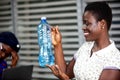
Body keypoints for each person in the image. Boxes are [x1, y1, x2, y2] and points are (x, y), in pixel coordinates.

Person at [47, 1, 120, 80]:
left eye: (87, 23)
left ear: (102, 24)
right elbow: (65, 73)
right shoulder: (86, 47)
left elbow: (65, 78)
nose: (83, 27)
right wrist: (57, 44)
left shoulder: (114, 59)